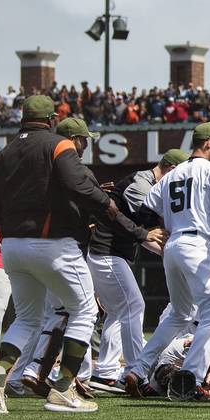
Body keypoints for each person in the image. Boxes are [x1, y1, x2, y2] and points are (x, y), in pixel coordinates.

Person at [0, 95, 118, 414]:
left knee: (26, 318)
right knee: (85, 311)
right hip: (52, 243)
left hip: (12, 246)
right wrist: (105, 205)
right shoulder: (59, 145)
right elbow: (77, 184)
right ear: (52, 119)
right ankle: (63, 389)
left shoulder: (3, 154)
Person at [126, 123, 210, 401]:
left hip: (173, 246)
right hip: (199, 244)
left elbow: (145, 213)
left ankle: (138, 368)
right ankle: (191, 376)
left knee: (179, 313)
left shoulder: (171, 175)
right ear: (209, 143)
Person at [85, 149, 181, 391]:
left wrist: (170, 251)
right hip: (106, 251)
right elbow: (150, 223)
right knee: (134, 306)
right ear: (170, 169)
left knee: (119, 311)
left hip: (107, 252)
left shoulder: (146, 183)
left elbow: (143, 234)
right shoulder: (140, 182)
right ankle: (136, 370)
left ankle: (106, 371)